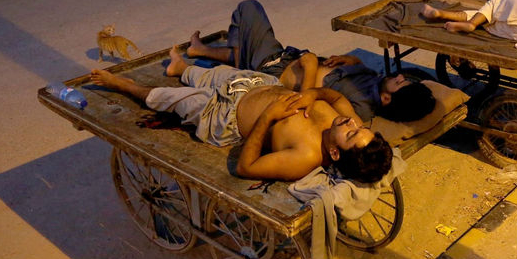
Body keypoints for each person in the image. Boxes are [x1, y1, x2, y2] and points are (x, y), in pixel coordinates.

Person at [89, 48, 393, 182]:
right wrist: (312, 94)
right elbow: (336, 96)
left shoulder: (306, 156)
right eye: (357, 126)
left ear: (334, 153)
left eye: (351, 133)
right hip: (256, 84)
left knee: (169, 98)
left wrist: (269, 116)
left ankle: (126, 86)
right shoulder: (346, 120)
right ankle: (181, 69)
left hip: (222, 116)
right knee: (216, 73)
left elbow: (246, 167)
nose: (351, 122)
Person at [186, 0, 436, 123]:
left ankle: (240, 64)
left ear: (386, 100)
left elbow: (313, 103)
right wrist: (350, 59)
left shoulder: (360, 108)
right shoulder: (376, 81)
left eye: (401, 84)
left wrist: (310, 66)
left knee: (248, 8)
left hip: (274, 67)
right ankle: (202, 51)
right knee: (249, 41)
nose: (400, 76)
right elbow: (358, 64)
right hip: (287, 57)